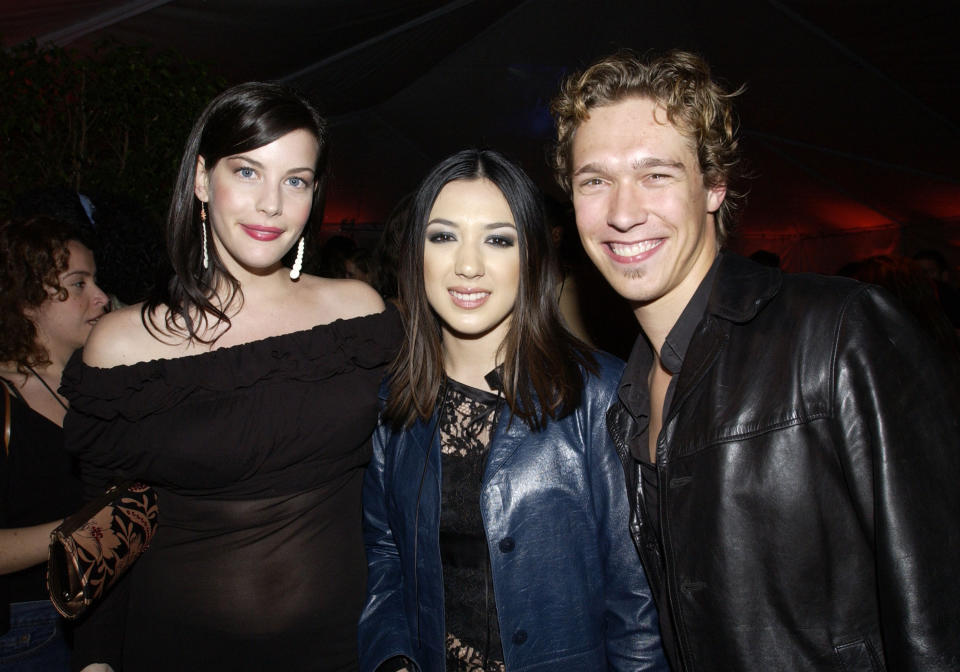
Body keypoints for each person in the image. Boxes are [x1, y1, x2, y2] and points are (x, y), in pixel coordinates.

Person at [551, 49, 960, 671]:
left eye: (656, 174)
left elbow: (938, 612)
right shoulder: (625, 393)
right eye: (594, 181)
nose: (622, 211)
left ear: (714, 186)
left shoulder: (838, 331)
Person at [60, 82, 400, 671]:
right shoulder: (121, 343)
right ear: (200, 179)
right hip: (173, 651)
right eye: (247, 172)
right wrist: (94, 662)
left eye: (295, 180)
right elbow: (104, 526)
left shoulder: (359, 314)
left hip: (344, 649)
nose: (272, 203)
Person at [358, 149, 666, 672]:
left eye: (498, 239)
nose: (469, 265)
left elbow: (637, 603)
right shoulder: (395, 399)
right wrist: (392, 655)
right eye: (443, 236)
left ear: (533, 257)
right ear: (416, 254)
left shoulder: (599, 394)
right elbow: (385, 553)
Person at [0, 216, 109, 670]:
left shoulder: (94, 381)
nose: (100, 297)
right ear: (27, 302)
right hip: (30, 626)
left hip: (99, 608)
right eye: (77, 283)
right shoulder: (5, 397)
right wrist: (84, 530)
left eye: (95, 280)